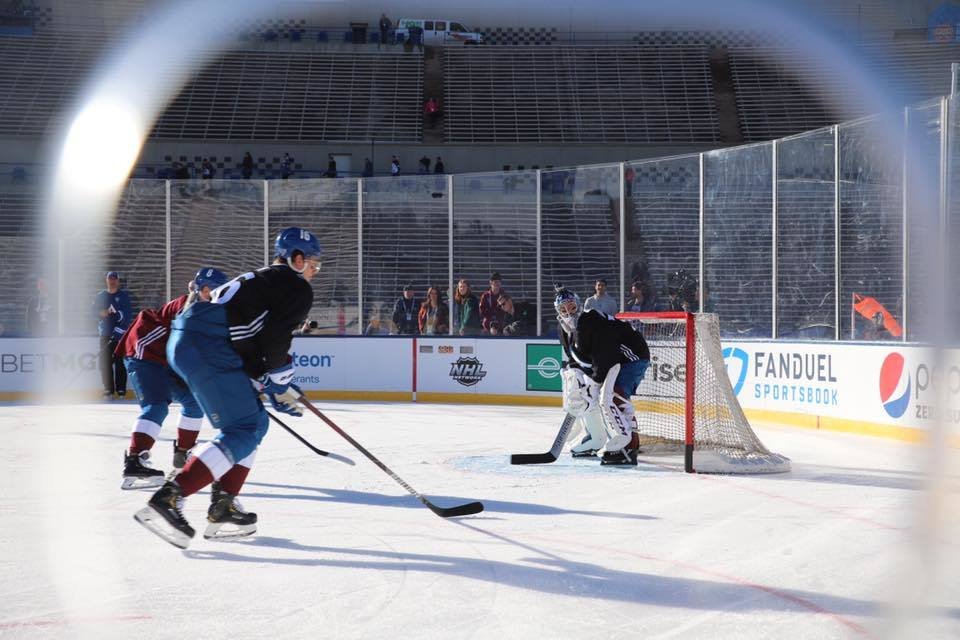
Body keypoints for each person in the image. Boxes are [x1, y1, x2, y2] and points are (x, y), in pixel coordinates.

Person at [135, 227, 320, 547]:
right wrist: (280, 382)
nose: (315, 271)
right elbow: (275, 343)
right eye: (314, 264)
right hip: (208, 345)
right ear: (297, 259)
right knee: (244, 428)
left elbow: (251, 340)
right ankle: (168, 500)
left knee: (254, 423)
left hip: (191, 340)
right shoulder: (296, 287)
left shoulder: (262, 280)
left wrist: (270, 382)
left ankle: (224, 505)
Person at [118, 267, 228, 490]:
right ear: (205, 290)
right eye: (217, 292)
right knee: (157, 406)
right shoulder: (192, 308)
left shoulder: (204, 307)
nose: (221, 298)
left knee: (193, 403)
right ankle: (134, 461)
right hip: (144, 350)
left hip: (165, 358)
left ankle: (182, 454)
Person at [554, 284, 650, 466]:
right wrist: (577, 383)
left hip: (630, 356)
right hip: (611, 358)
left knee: (613, 396)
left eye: (572, 307)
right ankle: (596, 439)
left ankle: (628, 446)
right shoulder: (564, 330)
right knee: (586, 395)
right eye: (563, 309)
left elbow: (606, 354)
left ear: (579, 305)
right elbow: (575, 359)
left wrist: (594, 381)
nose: (569, 313)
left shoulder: (590, 321)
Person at [92, 271, 133, 399]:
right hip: (105, 334)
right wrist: (100, 313)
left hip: (120, 336)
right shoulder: (100, 296)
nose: (112, 281)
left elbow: (127, 316)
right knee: (105, 363)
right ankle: (108, 390)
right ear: (106, 280)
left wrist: (118, 331)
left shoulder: (124, 297)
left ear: (118, 281)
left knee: (120, 363)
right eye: (110, 279)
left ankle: (121, 389)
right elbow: (92, 312)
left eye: (115, 279)